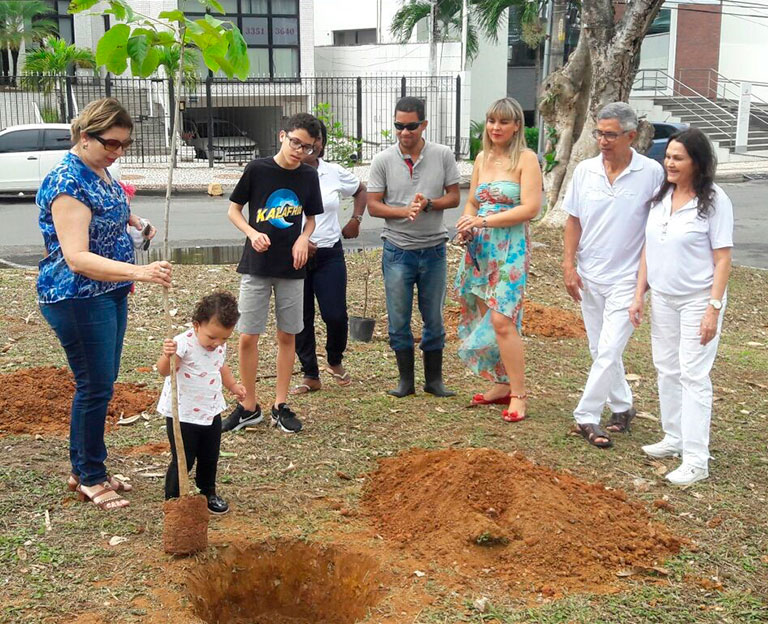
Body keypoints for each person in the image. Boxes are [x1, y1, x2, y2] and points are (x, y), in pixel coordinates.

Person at [36, 97, 172, 511]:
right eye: (110, 144)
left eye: (123, 145)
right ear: (84, 135)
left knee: (101, 383)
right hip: (77, 296)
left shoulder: (100, 171)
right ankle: (90, 476)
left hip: (108, 292)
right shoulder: (67, 182)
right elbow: (76, 257)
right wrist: (141, 273)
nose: (117, 152)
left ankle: (87, 467)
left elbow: (112, 211)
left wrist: (135, 222)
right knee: (94, 386)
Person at [629, 128, 733, 486]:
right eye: (668, 156)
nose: (669, 163)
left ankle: (696, 458)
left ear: (697, 162)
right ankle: (674, 436)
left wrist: (713, 308)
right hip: (665, 298)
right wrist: (639, 292)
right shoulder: (662, 197)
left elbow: (723, 260)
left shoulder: (714, 200)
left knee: (693, 375)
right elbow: (648, 249)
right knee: (666, 368)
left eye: (677, 158)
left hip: (698, 300)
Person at [561, 102, 665, 448]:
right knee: (599, 347)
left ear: (631, 136)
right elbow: (572, 219)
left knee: (608, 348)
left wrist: (642, 285)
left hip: (628, 278)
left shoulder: (651, 173)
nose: (603, 140)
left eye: (610, 134)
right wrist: (569, 265)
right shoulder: (585, 171)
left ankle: (586, 415)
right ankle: (622, 405)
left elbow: (657, 230)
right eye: (599, 133)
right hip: (590, 274)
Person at [223, 113, 324, 434]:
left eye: (307, 147)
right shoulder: (258, 169)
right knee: (247, 335)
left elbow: (310, 218)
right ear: (283, 136)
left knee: (287, 334)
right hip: (257, 264)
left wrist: (304, 239)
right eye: (295, 143)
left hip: (292, 268)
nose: (299, 151)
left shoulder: (308, 177)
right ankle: (248, 406)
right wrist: (252, 233)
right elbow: (233, 210)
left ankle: (280, 404)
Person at [454, 98, 542, 422]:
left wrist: (484, 222)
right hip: (480, 247)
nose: (495, 128)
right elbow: (472, 204)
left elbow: (531, 209)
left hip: (511, 248)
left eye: (503, 122)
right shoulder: (481, 158)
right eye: (492, 121)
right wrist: (467, 224)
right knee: (483, 316)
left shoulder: (526, 159)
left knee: (502, 320)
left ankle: (519, 394)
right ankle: (501, 384)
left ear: (517, 125)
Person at [367, 96, 461, 398]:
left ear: (424, 124)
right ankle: (405, 382)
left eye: (411, 126)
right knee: (398, 317)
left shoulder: (442, 155)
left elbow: (455, 197)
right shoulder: (382, 160)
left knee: (433, 316)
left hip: (434, 249)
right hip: (397, 250)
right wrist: (403, 211)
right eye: (399, 126)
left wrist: (429, 204)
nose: (404, 133)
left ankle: (434, 381)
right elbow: (373, 205)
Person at [291, 119, 368, 394]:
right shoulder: (285, 173)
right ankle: (310, 373)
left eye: (314, 140)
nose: (306, 147)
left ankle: (335, 360)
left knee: (335, 315)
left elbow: (361, 189)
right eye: (300, 141)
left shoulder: (334, 172)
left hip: (329, 253)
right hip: (294, 257)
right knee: (301, 318)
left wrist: (356, 219)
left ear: (320, 143)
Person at [157, 292, 246, 513]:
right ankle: (173, 498)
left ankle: (208, 492)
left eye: (224, 339)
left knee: (209, 456)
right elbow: (163, 371)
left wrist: (233, 386)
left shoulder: (219, 346)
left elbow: (221, 366)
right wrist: (169, 356)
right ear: (196, 325)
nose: (216, 344)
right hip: (183, 414)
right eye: (212, 337)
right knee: (183, 458)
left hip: (211, 410)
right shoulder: (182, 344)